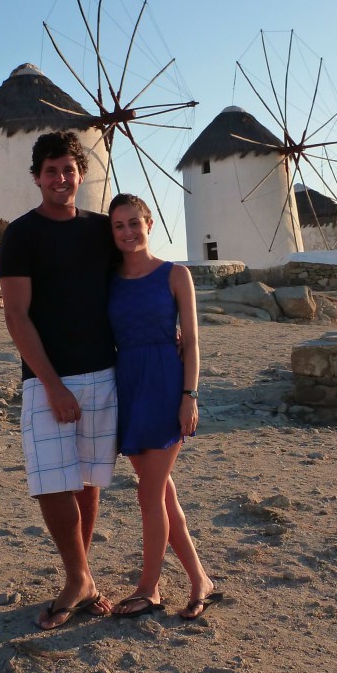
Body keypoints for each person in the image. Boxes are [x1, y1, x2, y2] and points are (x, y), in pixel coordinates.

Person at [0, 130, 117, 630]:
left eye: (68, 169)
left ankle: (81, 579)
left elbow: (131, 286)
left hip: (103, 371)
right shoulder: (20, 235)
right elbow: (17, 316)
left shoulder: (100, 230)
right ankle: (78, 576)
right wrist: (51, 384)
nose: (61, 179)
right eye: (51, 171)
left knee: (87, 480)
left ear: (81, 174)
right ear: (36, 177)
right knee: (51, 483)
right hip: (48, 379)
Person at [107, 193, 221, 620]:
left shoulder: (176, 274)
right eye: (119, 226)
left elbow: (191, 341)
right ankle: (200, 580)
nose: (128, 232)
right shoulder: (110, 278)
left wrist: (189, 396)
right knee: (163, 494)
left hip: (165, 384)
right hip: (128, 383)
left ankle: (148, 588)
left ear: (149, 224)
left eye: (134, 222)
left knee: (149, 493)